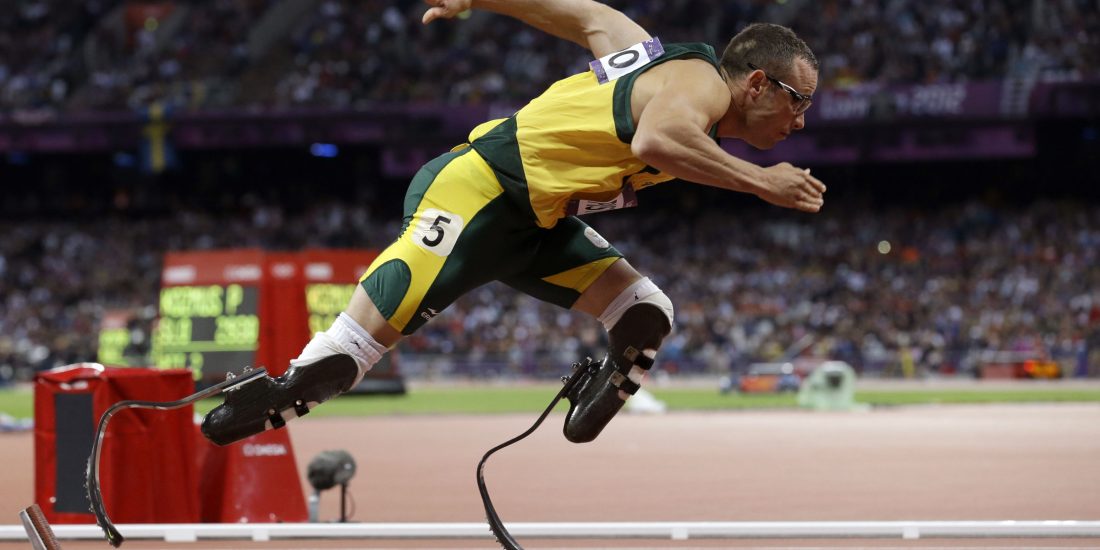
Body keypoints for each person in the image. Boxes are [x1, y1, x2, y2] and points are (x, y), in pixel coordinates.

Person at [201, 0, 826, 446]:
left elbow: (588, 17)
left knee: (644, 311)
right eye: (798, 102)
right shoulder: (699, 84)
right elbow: (659, 141)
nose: (799, 123)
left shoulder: (660, 65)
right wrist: (761, 181)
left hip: (538, 223)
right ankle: (281, 390)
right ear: (756, 84)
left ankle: (591, 395)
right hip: (479, 190)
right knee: (357, 347)